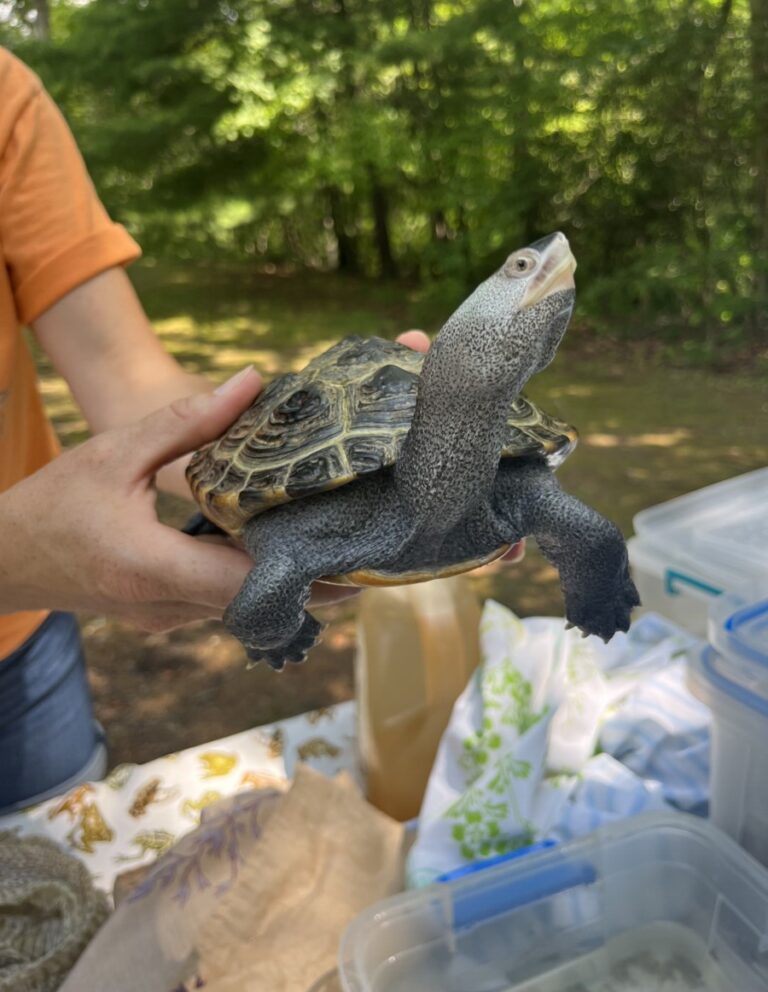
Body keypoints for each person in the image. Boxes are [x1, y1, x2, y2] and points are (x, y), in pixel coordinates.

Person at [0, 46, 523, 812]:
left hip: (24, 654)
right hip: (26, 574)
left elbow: (124, 375)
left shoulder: (6, 95)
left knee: (43, 845)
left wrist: (281, 418)